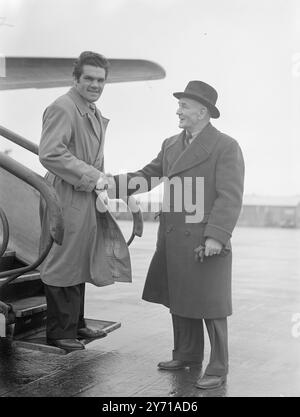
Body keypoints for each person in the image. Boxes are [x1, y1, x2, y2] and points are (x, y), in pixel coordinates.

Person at [112, 80, 245, 389]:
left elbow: (230, 196)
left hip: (205, 238)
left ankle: (218, 366)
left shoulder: (226, 146)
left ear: (202, 111)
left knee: (211, 304)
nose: (178, 111)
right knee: (180, 297)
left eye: (184, 106)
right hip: (173, 235)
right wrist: (112, 184)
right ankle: (186, 354)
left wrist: (216, 237)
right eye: (180, 105)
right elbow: (148, 177)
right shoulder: (171, 143)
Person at [39, 51, 132, 352]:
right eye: (89, 78)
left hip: (84, 193)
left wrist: (99, 181)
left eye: (100, 80)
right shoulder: (63, 108)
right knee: (62, 261)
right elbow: (50, 153)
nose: (95, 84)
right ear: (75, 78)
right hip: (66, 194)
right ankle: (59, 332)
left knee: (79, 259)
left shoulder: (90, 109)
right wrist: (93, 176)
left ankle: (75, 325)